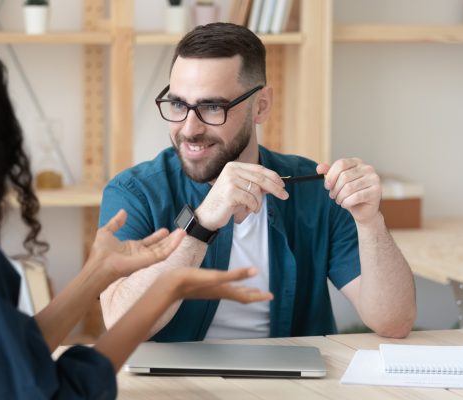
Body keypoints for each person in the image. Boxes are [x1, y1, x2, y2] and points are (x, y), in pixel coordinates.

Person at [0, 28, 273, 399]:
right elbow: (47, 392)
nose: (190, 127)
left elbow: (13, 354)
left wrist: (98, 272)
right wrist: (164, 289)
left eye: (212, 106)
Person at [99, 22, 416, 342]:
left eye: (212, 107)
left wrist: (370, 222)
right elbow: (121, 324)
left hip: (292, 387)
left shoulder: (314, 189)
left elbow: (394, 322)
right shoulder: (134, 192)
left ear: (261, 105)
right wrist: (203, 223)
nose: (189, 129)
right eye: (179, 104)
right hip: (176, 388)